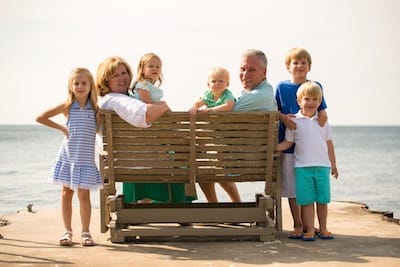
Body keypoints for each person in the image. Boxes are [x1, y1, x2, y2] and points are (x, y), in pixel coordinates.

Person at [96, 56, 193, 204]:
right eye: (116, 75)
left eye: (124, 73)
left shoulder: (111, 100)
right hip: (143, 161)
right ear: (105, 81)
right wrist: (164, 107)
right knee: (183, 155)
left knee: (177, 150)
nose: (123, 78)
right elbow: (146, 113)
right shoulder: (117, 100)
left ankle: (145, 203)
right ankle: (179, 206)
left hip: (130, 161)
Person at [36, 68, 103, 246]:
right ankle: (67, 232)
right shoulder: (67, 105)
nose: (80, 86)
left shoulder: (95, 108)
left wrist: (99, 119)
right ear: (71, 86)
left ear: (90, 86)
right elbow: (40, 117)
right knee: (66, 194)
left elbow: (96, 131)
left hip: (85, 159)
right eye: (76, 83)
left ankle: (86, 232)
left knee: (84, 195)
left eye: (83, 83)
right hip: (68, 157)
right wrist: (62, 128)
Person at [275, 47, 328, 239]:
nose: (299, 66)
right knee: (292, 188)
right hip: (288, 143)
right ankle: (298, 223)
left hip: (308, 148)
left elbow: (322, 110)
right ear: (288, 66)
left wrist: (323, 112)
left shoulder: (315, 86)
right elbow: (275, 110)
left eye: (303, 62)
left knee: (308, 187)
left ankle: (311, 226)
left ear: (309, 66)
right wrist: (283, 117)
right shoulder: (281, 87)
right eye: (295, 62)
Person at [276, 81, 339, 241]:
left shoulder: (323, 122)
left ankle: (323, 229)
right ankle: (309, 230)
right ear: (299, 101)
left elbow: (329, 143)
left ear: (320, 102)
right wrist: (273, 148)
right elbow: (288, 143)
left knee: (323, 200)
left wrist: (333, 164)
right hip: (302, 168)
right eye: (307, 99)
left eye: (315, 99)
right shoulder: (294, 122)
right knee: (306, 201)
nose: (311, 103)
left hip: (322, 167)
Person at [189, 66, 241, 203]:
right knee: (210, 169)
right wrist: (195, 107)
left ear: (227, 84)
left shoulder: (227, 95)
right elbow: (197, 103)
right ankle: (218, 204)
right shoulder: (208, 95)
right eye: (213, 81)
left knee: (217, 171)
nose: (217, 84)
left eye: (220, 81)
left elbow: (229, 106)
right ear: (208, 84)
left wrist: (210, 110)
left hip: (224, 141)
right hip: (213, 142)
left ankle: (233, 203)